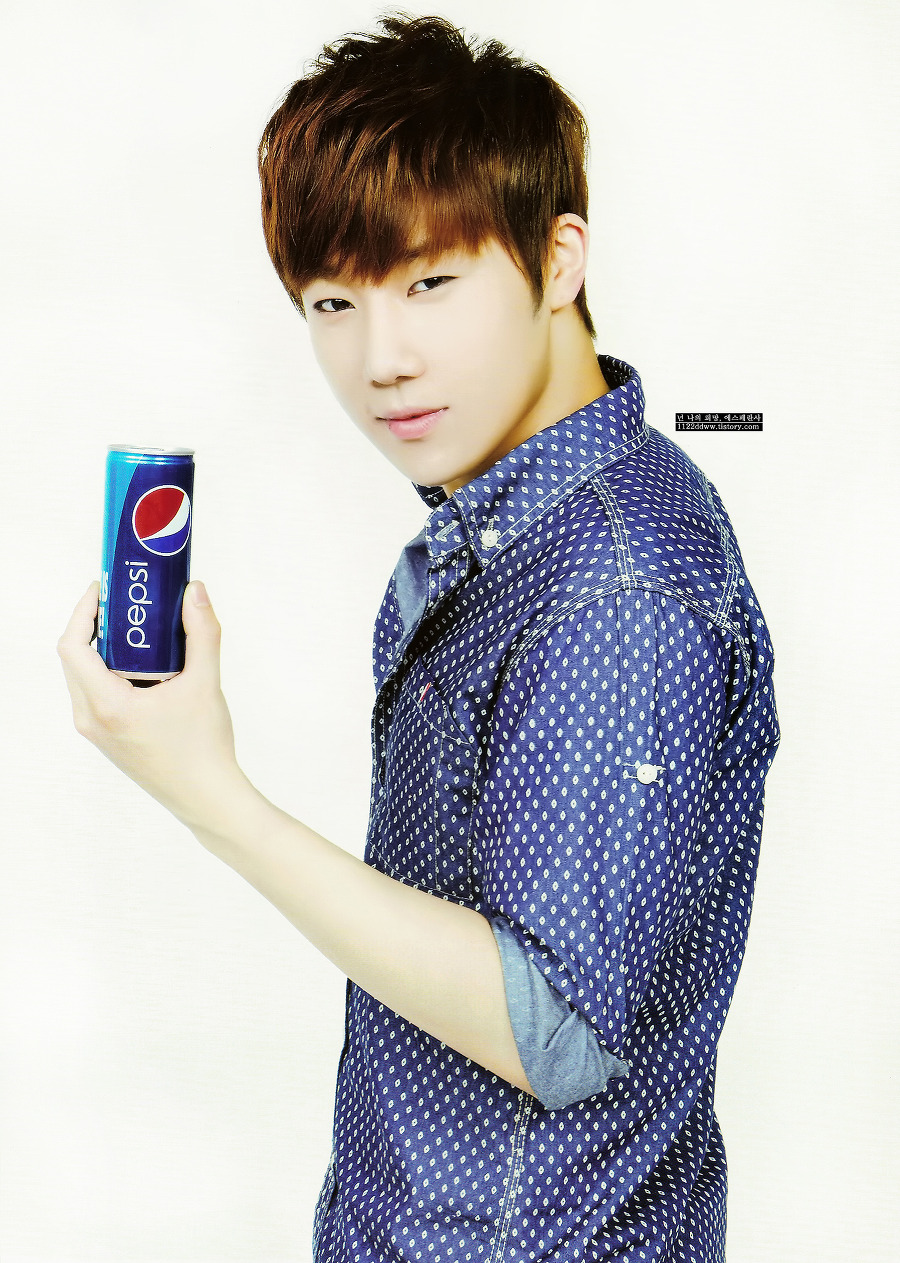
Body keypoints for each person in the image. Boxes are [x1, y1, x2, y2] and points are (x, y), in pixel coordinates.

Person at [58, 13, 780, 1262]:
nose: (381, 359)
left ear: (558, 261)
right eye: (334, 302)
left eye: (431, 284)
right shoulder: (519, 521)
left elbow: (554, 1030)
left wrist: (207, 791)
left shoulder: (618, 591)